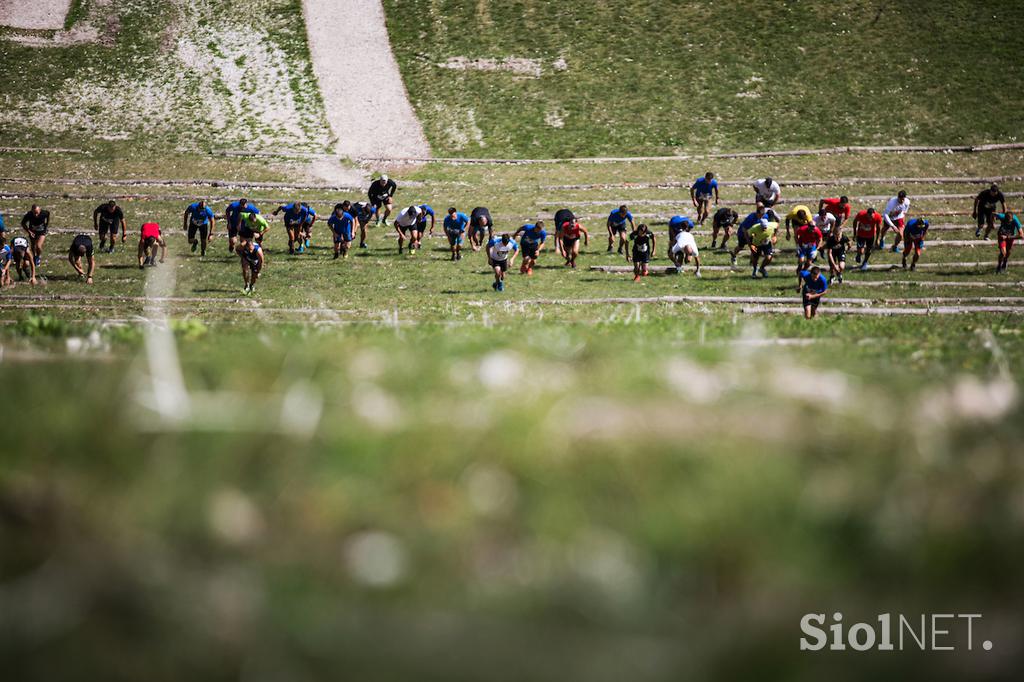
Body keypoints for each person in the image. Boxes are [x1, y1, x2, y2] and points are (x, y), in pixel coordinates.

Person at [794, 217, 824, 286]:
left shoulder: (817, 230)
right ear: (808, 226)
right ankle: (799, 268)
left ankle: (803, 271)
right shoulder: (802, 229)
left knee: (809, 263)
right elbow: (796, 235)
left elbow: (820, 239)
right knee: (801, 260)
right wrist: (797, 244)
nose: (812, 229)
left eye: (814, 227)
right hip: (803, 245)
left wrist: (817, 248)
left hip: (812, 246)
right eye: (811, 227)